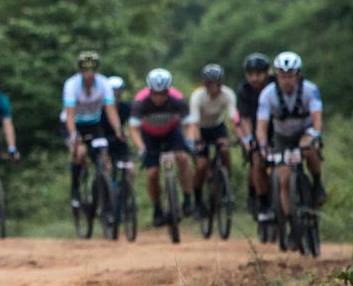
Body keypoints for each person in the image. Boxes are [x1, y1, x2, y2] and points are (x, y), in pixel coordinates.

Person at [255, 50, 326, 211]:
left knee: (308, 148)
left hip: (304, 132)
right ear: (276, 75)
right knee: (284, 179)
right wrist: (263, 145)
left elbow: (317, 118)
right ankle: (290, 219)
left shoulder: (310, 90)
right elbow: (261, 125)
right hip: (282, 137)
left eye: (291, 75)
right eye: (282, 75)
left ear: (298, 75)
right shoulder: (267, 95)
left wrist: (315, 135)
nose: (287, 80)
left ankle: (317, 183)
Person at [128, 68, 195, 226]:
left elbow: (189, 124)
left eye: (163, 93)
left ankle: (187, 199)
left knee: (182, 158)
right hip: (149, 136)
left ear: (168, 90)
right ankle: (157, 209)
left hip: (172, 133)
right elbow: (134, 129)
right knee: (152, 173)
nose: (159, 98)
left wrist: (190, 141)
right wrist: (141, 148)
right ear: (149, 90)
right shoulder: (140, 102)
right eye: (155, 93)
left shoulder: (178, 99)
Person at [62, 50, 124, 215]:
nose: (89, 74)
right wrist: (74, 136)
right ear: (80, 70)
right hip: (73, 123)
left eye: (92, 70)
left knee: (105, 159)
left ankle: (105, 195)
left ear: (96, 70)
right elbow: (69, 114)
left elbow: (110, 110)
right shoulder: (71, 85)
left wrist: (118, 130)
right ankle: (75, 190)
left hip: (93, 123)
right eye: (85, 70)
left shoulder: (104, 83)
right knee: (80, 153)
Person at [185, 63, 239, 211]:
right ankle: (197, 200)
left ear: (221, 83)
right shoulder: (198, 96)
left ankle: (225, 183)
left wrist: (236, 136)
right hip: (201, 128)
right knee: (201, 166)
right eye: (209, 84)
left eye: (216, 83)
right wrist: (197, 141)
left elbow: (233, 119)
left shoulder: (228, 94)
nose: (213, 87)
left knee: (225, 150)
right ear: (205, 84)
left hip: (217, 127)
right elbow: (194, 123)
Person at [235, 53, 274, 222]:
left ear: (267, 73)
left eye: (258, 74)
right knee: (257, 160)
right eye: (250, 74)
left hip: (277, 128)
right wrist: (250, 139)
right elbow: (244, 119)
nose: (254, 78)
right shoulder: (243, 91)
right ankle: (263, 202)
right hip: (255, 130)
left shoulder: (275, 86)